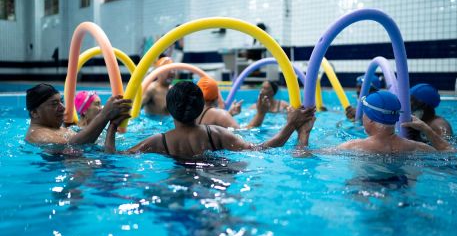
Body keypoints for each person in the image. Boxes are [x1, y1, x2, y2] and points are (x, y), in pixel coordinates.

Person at [105, 81, 315, 159]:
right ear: (201, 106)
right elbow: (262, 148)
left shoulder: (157, 141)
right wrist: (290, 125)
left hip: (178, 184)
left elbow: (112, 156)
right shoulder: (217, 134)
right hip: (217, 179)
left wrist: (112, 126)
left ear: (169, 110)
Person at [297, 91, 452, 153]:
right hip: (402, 190)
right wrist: (426, 129)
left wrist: (304, 133)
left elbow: (302, 155)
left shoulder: (354, 146)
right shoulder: (417, 147)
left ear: (369, 118)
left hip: (367, 193)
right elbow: (450, 152)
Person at [25, 83, 131, 146]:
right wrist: (104, 115)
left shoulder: (57, 129)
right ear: (34, 113)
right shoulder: (37, 134)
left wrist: (112, 126)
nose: (63, 108)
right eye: (54, 104)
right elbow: (73, 146)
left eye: (61, 101)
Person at [196, 76, 267, 129]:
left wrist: (229, 114)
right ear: (217, 96)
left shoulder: (193, 113)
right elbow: (242, 134)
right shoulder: (220, 114)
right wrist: (261, 114)